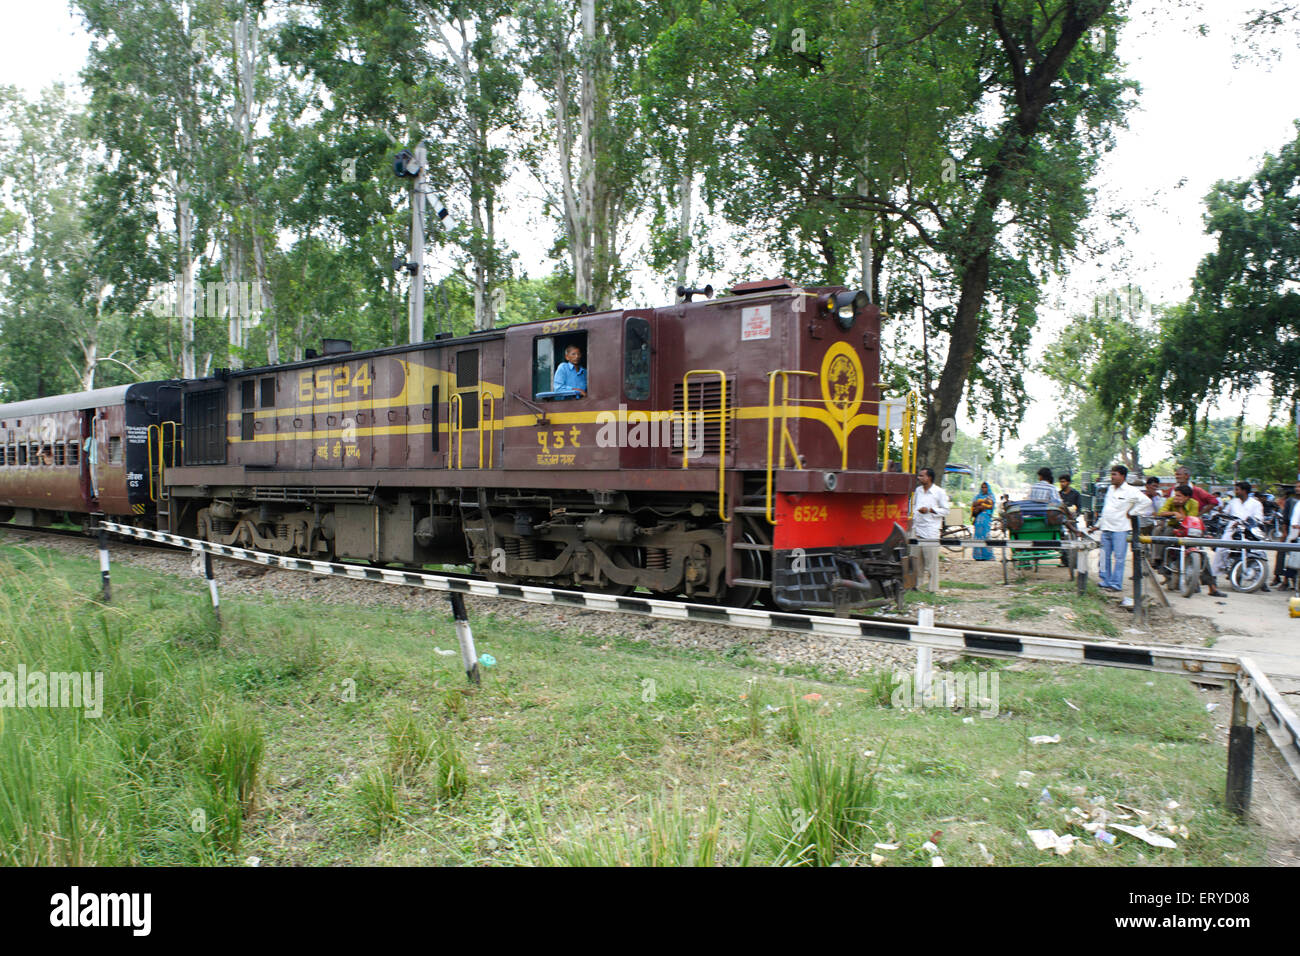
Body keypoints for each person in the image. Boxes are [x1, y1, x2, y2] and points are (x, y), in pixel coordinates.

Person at [1089, 464, 1144, 592]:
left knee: (1119, 558)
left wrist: (1132, 512)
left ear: (1122, 476)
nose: (1112, 477)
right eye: (1111, 474)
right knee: (1104, 555)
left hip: (1120, 529)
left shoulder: (1131, 491)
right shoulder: (1110, 489)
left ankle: (1115, 584)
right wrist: (1097, 526)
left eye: (1114, 474)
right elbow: (1106, 510)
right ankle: (1105, 580)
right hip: (1106, 528)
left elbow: (1146, 502)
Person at [1216, 480, 1268, 590]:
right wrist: (1222, 515)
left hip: (1249, 531)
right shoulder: (1233, 502)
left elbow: (1259, 518)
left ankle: (1261, 580)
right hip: (1233, 530)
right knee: (1221, 549)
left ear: (1244, 491)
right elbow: (1226, 513)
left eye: (1237, 489)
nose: (1235, 491)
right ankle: (1213, 576)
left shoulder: (1256, 503)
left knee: (1260, 551)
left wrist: (1245, 521)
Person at [910, 467, 950, 591]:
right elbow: (913, 506)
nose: (919, 478)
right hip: (917, 528)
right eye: (919, 475)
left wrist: (930, 510)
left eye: (922, 476)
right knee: (915, 560)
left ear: (929, 478)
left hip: (931, 530)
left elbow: (946, 510)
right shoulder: (918, 491)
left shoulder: (939, 492)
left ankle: (932, 588)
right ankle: (916, 586)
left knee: (931, 562)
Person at [1272, 480, 1300, 587]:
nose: (1297, 489)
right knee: (1281, 552)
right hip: (1291, 531)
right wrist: (1284, 533)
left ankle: (1289, 579)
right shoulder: (1290, 501)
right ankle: (1279, 578)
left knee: (1294, 557)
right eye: (1297, 487)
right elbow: (1286, 519)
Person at [971, 481, 995, 561]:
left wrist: (981, 505)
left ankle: (987, 556)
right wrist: (982, 503)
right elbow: (974, 504)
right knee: (978, 535)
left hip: (986, 518)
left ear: (988, 488)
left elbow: (990, 506)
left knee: (986, 535)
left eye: (985, 487)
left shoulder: (991, 496)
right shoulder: (978, 496)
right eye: (982, 487)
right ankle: (978, 556)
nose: (984, 489)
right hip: (978, 518)